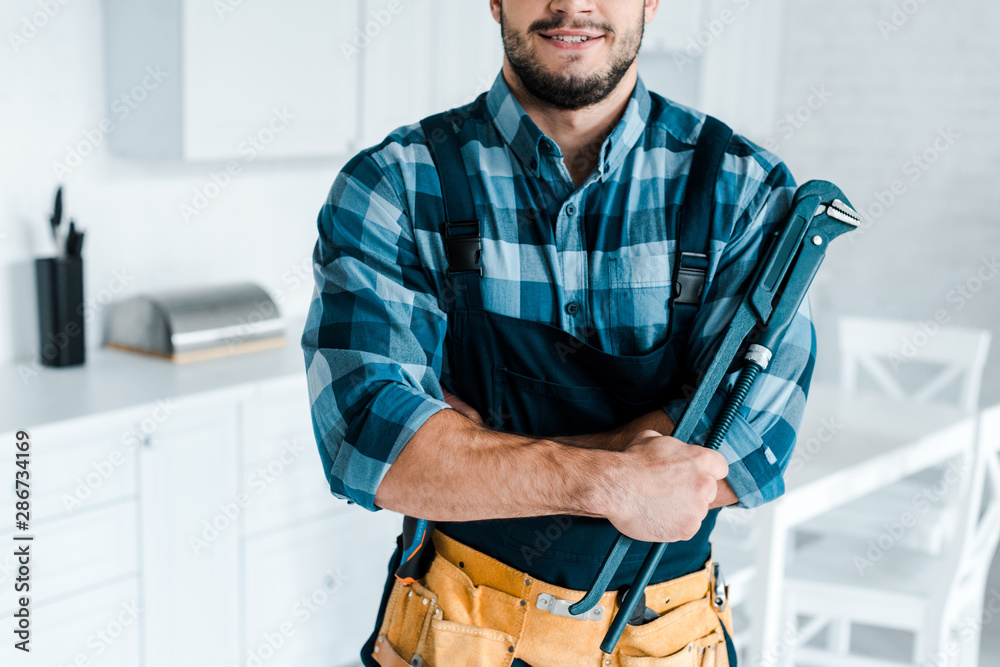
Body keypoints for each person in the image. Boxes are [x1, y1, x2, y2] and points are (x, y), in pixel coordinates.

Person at [301, 1, 816, 665]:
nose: (572, 5)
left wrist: (466, 451)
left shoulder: (744, 191)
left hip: (660, 640)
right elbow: (367, 437)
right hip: (455, 632)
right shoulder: (393, 184)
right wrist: (617, 480)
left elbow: (748, 442)